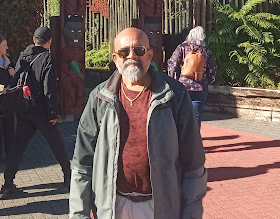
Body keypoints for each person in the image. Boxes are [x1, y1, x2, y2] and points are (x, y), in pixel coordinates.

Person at [69, 27, 207, 219]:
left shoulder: (173, 95)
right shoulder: (100, 98)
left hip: (158, 207)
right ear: (116, 58)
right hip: (113, 205)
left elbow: (194, 164)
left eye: (139, 50)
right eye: (124, 52)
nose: (131, 56)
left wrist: (191, 213)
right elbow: (82, 165)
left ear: (150, 55)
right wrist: (78, 215)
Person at [0, 27, 71, 199]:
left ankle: (8, 183)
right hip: (41, 111)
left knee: (18, 146)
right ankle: (68, 175)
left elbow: (15, 79)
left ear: (33, 38)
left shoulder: (23, 55)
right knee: (56, 142)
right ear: (49, 41)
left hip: (24, 109)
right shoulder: (47, 58)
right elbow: (49, 88)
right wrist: (52, 113)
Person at [167, 26, 217, 129]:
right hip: (200, 87)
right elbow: (212, 69)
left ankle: (181, 140)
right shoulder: (205, 51)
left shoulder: (182, 47)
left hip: (182, 87)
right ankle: (194, 141)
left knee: (180, 114)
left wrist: (173, 80)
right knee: (196, 115)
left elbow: (172, 64)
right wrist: (207, 81)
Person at [0, 34, 15, 164]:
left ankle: (11, 156)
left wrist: (13, 72)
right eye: (4, 45)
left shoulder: (8, 60)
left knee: (10, 129)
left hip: (8, 101)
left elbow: (15, 78)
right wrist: (0, 89)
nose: (7, 48)